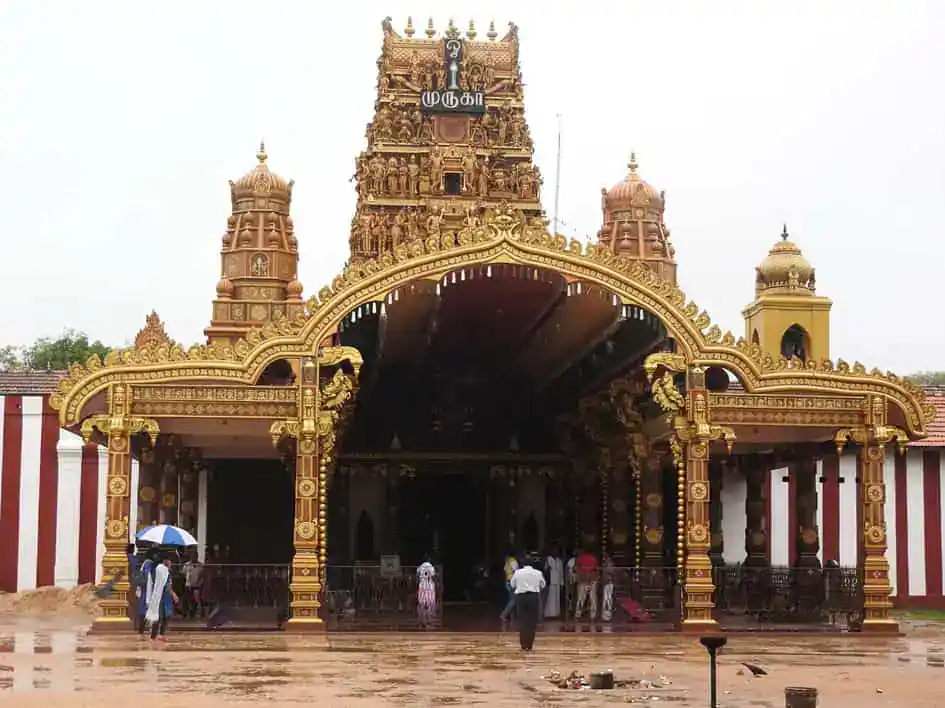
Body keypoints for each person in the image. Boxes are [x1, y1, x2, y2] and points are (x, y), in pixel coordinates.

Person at [509, 555, 546, 651]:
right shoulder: (538, 573)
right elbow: (543, 585)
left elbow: (512, 584)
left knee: (522, 620)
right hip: (533, 597)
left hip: (521, 597)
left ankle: (523, 644)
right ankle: (529, 644)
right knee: (532, 621)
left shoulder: (518, 572)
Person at [144, 555, 178, 641]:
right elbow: (167, 585)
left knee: (165, 616)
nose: (171, 564)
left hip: (165, 597)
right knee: (158, 617)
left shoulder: (163, 571)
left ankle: (160, 635)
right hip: (161, 597)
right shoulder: (162, 571)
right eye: (169, 562)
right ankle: (154, 636)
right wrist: (174, 594)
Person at [574, 548, 599, 621]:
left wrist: (579, 577)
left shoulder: (579, 559)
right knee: (593, 599)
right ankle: (593, 615)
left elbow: (576, 569)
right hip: (592, 580)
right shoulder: (594, 559)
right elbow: (596, 569)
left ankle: (578, 614)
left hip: (583, 580)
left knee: (581, 598)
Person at [416, 556, 437, 628]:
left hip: (422, 587)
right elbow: (433, 577)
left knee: (421, 604)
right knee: (429, 604)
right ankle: (428, 622)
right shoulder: (431, 567)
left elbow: (417, 577)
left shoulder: (419, 567)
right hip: (429, 587)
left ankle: (421, 622)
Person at [543, 549, 564, 619]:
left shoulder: (559, 561)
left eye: (557, 551)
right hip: (549, 581)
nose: (555, 552)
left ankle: (556, 614)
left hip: (557, 581)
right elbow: (544, 570)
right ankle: (548, 614)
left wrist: (561, 583)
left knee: (556, 598)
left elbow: (561, 573)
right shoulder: (547, 560)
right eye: (554, 551)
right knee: (549, 598)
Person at [182, 553, 204, 619]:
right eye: (193, 556)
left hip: (196, 585)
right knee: (186, 599)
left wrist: (199, 583)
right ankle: (185, 612)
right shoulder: (186, 564)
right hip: (188, 584)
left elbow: (202, 575)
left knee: (195, 600)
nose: (194, 557)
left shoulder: (200, 565)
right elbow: (183, 573)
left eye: (196, 556)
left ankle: (193, 613)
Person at [499, 551, 519, 623]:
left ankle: (512, 616)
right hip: (512, 581)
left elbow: (505, 571)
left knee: (511, 599)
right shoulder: (513, 561)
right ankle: (504, 615)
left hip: (508, 581)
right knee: (514, 600)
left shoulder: (507, 562)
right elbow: (516, 571)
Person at [600, 554, 615, 622]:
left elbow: (611, 573)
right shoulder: (604, 565)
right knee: (606, 598)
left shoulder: (610, 565)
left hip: (609, 583)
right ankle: (605, 614)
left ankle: (608, 614)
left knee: (608, 598)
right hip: (605, 583)